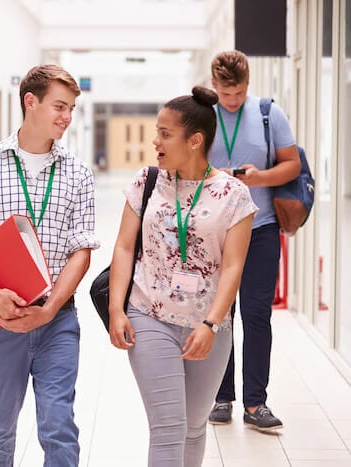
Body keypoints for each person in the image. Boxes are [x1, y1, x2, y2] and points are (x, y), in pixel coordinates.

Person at [0, 64, 100, 467]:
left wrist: (48, 308)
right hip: (2, 319)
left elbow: (82, 251)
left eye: (71, 108)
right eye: (59, 106)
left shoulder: (78, 173)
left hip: (58, 318)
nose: (66, 116)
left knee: (58, 424)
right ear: (31, 102)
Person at [108, 86, 258, 466]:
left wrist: (211, 323)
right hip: (149, 314)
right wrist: (115, 309)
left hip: (209, 324)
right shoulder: (147, 182)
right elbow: (125, 246)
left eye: (164, 133)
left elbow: (233, 266)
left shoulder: (234, 195)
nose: (154, 141)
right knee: (168, 426)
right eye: (156, 131)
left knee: (193, 426)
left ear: (194, 140)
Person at [207, 50, 301, 431]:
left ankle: (255, 403)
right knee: (219, 316)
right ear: (214, 86)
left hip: (260, 229)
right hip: (213, 231)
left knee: (257, 315)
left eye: (240, 92)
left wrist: (259, 178)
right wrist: (221, 175)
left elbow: (292, 164)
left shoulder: (267, 113)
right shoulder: (203, 116)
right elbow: (183, 165)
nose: (233, 101)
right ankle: (221, 396)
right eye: (227, 94)